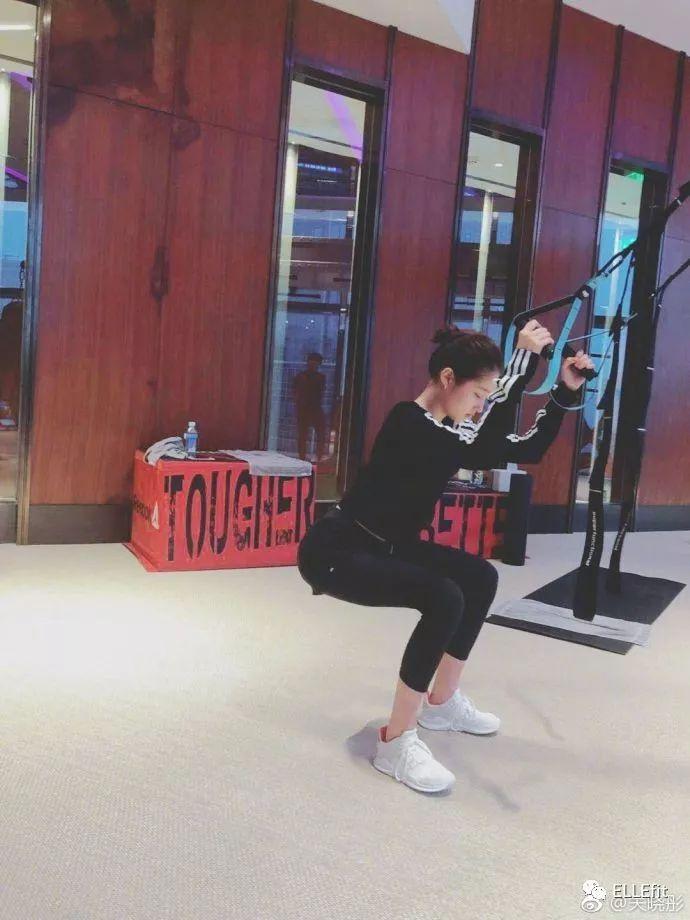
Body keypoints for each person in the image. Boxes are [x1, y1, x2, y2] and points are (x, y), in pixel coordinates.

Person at [297, 321, 594, 793]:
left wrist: (563, 390)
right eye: (478, 394)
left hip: (389, 544)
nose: (479, 406)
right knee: (443, 598)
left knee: (479, 577)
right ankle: (395, 742)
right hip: (337, 550)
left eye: (486, 398)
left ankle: (442, 703)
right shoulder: (408, 421)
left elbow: (528, 448)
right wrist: (521, 361)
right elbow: (483, 442)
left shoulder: (450, 430)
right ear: (448, 378)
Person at [292, 352, 326, 461]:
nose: (313, 364)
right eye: (312, 362)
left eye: (315, 362)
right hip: (307, 408)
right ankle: (306, 457)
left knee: (312, 434)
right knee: (305, 435)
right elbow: (295, 392)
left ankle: (312, 457)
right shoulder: (303, 376)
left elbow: (295, 392)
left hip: (311, 408)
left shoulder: (316, 377)